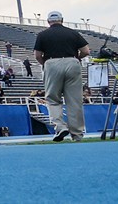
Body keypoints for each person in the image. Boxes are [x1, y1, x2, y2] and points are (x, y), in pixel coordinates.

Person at [33, 10, 89, 142]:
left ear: (48, 22)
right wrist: (76, 58)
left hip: (51, 63)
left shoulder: (42, 35)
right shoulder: (72, 32)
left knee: (53, 98)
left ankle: (60, 126)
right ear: (62, 20)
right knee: (74, 101)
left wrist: (45, 64)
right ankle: (77, 134)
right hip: (72, 62)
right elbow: (86, 51)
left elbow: (37, 55)